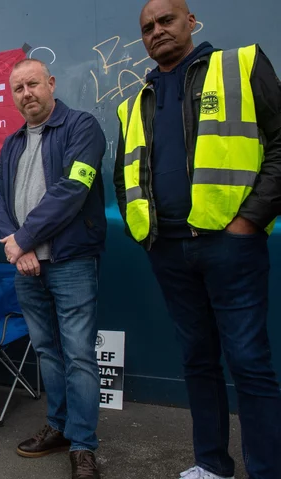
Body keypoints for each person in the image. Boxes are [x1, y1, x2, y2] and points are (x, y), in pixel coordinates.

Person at [114, 1, 281, 478]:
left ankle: (267, 469)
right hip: (167, 249)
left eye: (167, 20)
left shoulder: (241, 65)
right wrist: (141, 231)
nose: (157, 31)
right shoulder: (134, 101)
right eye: (147, 27)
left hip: (231, 245)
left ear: (191, 21)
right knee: (197, 361)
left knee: (249, 361)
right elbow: (122, 176)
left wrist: (250, 219)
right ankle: (211, 464)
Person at [0, 59, 106, 479]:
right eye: (18, 88)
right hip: (25, 264)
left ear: (51, 83)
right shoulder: (12, 142)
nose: (27, 93)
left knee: (78, 355)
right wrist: (16, 245)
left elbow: (74, 189)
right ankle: (58, 427)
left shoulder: (82, 127)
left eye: (33, 84)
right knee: (46, 352)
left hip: (70, 259)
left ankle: (83, 444)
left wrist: (24, 238)